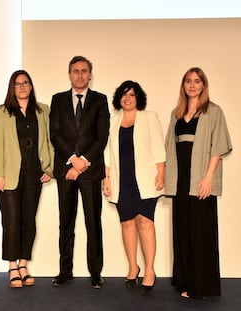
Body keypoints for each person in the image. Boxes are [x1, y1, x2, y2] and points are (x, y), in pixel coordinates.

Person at [164, 67, 232, 299]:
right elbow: (169, 146)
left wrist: (208, 178)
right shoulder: (176, 113)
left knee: (201, 234)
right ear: (183, 85)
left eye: (196, 81)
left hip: (201, 181)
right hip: (181, 181)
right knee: (182, 231)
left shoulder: (213, 111)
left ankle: (201, 286)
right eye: (188, 81)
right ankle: (184, 282)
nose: (192, 85)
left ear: (203, 85)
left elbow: (218, 146)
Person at [49, 56, 110, 289]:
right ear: (69, 74)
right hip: (65, 169)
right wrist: (73, 160)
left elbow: (101, 136)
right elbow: (55, 134)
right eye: (76, 71)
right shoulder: (57, 100)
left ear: (90, 74)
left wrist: (83, 161)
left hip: (91, 171)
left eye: (84, 71)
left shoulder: (100, 100)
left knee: (93, 221)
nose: (80, 75)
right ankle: (65, 271)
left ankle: (96, 272)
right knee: (66, 221)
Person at [102, 80, 165, 295]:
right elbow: (108, 152)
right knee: (127, 223)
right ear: (119, 98)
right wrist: (107, 177)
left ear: (139, 98)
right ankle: (132, 267)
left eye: (132, 95)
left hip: (146, 179)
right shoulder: (114, 120)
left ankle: (149, 270)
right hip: (123, 179)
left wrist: (161, 172)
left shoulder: (150, 117)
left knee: (145, 222)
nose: (127, 98)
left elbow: (158, 146)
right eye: (124, 95)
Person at [0, 70, 54, 288]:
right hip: (10, 173)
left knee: (29, 219)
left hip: (34, 171)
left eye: (25, 83)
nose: (22, 87)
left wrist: (50, 167)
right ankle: (12, 266)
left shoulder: (43, 110)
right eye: (17, 83)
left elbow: (50, 141)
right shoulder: (3, 112)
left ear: (31, 85)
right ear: (12, 87)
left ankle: (24, 264)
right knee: (12, 220)